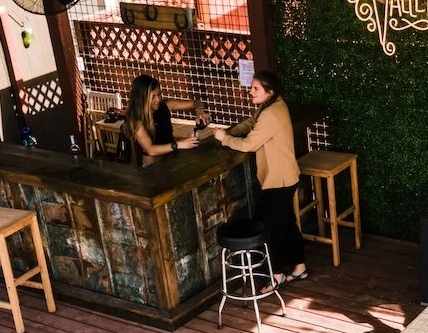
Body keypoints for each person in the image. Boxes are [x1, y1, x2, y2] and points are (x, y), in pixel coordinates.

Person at [213, 71, 307, 285]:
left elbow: (249, 145)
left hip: (278, 180)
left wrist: (225, 138)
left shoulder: (271, 114)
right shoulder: (275, 105)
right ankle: (299, 267)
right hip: (286, 176)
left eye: (256, 88)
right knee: (287, 223)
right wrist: (232, 131)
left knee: (268, 227)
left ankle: (276, 275)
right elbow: (252, 123)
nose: (250, 91)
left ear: (269, 92)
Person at [122, 74, 211, 167]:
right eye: (153, 97)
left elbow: (196, 103)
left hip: (172, 160)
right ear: (142, 98)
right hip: (153, 167)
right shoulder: (136, 120)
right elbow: (150, 150)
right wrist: (178, 145)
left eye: (159, 94)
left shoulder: (166, 105)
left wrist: (200, 111)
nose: (158, 99)